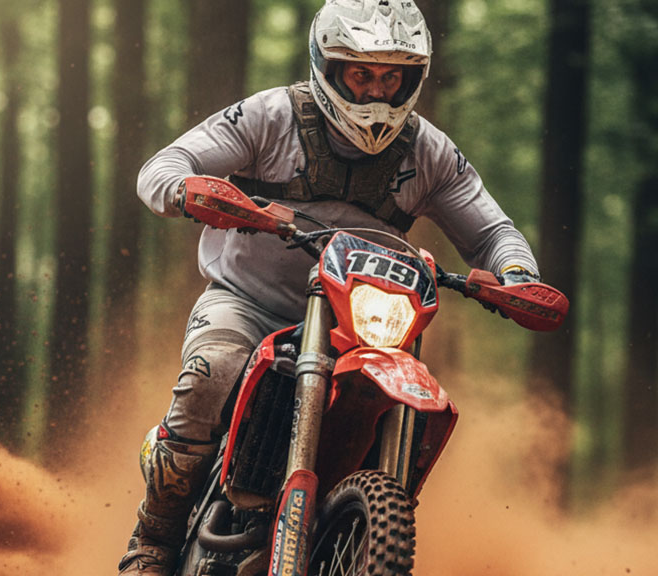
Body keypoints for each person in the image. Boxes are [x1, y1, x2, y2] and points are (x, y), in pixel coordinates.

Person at [118, 1, 540, 574]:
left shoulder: (430, 152)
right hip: (246, 303)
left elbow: (492, 231)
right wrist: (186, 189)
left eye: (391, 77)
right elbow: (168, 163)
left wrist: (517, 275)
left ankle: (361, 532)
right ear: (328, 66)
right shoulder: (270, 116)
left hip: (360, 325)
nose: (377, 92)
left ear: (414, 77)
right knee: (213, 369)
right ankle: (153, 539)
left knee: (415, 399)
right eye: (361, 74)